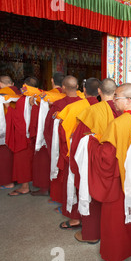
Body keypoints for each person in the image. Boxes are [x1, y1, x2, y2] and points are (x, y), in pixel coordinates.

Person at [87, 83, 131, 261]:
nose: (114, 101)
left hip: (121, 183)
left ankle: (116, 260)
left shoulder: (118, 124)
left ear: (128, 100)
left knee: (117, 222)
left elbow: (107, 159)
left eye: (116, 97)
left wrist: (93, 142)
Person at [71, 78, 120, 244]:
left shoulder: (92, 111)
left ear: (99, 91)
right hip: (118, 162)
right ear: (116, 92)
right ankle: (110, 234)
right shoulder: (122, 110)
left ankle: (91, 234)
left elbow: (80, 142)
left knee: (92, 195)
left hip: (96, 160)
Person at [56, 78, 101, 230]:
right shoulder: (106, 108)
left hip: (77, 151)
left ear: (83, 89)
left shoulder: (74, 107)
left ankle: (76, 218)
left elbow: (63, 133)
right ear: (99, 91)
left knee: (77, 183)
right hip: (98, 152)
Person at [43, 76, 82, 210]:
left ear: (63, 88)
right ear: (77, 87)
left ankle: (63, 201)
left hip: (63, 145)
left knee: (64, 173)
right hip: (79, 144)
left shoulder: (58, 104)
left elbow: (48, 126)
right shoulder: (84, 103)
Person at [30, 73, 65, 197]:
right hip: (63, 135)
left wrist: (33, 104)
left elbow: (37, 117)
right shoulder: (67, 95)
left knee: (45, 160)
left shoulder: (45, 96)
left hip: (47, 134)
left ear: (52, 81)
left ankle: (45, 187)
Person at [0, 75, 21, 190]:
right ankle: (16, 178)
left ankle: (7, 182)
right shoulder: (19, 93)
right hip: (17, 128)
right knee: (14, 155)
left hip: (3, 129)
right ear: (12, 83)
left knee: (3, 156)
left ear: (0, 83)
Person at [6, 76, 39, 196]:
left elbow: (19, 120)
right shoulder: (40, 98)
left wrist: (8, 109)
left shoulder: (22, 100)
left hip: (24, 137)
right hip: (36, 137)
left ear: (25, 86)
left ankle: (25, 187)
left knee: (22, 162)